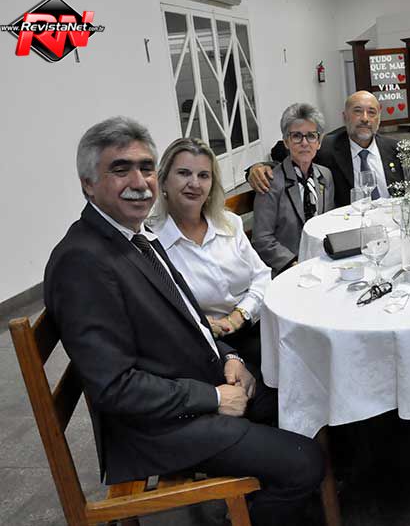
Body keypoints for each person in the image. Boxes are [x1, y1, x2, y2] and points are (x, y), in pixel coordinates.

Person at [44, 117, 324, 526]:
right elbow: (115, 387)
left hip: (189, 385)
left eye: (145, 167)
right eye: (120, 169)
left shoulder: (135, 236)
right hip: (154, 430)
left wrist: (231, 359)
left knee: (301, 397)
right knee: (306, 463)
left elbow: (191, 320)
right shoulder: (82, 261)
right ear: (88, 183)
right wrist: (213, 398)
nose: (138, 181)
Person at [149, 138, 270, 368]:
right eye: (184, 173)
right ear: (163, 181)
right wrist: (203, 323)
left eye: (203, 175)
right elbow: (163, 314)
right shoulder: (153, 244)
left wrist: (240, 315)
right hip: (205, 346)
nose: (194, 183)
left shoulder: (230, 223)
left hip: (255, 322)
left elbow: (262, 276)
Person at [247, 91, 403, 208]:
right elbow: (289, 155)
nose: (365, 118)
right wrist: (258, 167)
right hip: (349, 227)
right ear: (344, 117)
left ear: (379, 119)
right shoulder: (326, 147)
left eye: (371, 112)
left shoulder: (397, 149)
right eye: (357, 111)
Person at [252, 103, 335, 273]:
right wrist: (294, 265)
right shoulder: (270, 182)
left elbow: (328, 223)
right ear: (286, 142)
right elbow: (262, 239)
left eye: (311, 136)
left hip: (323, 263)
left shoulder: (325, 175)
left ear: (319, 142)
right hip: (288, 268)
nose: (304, 143)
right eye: (296, 136)